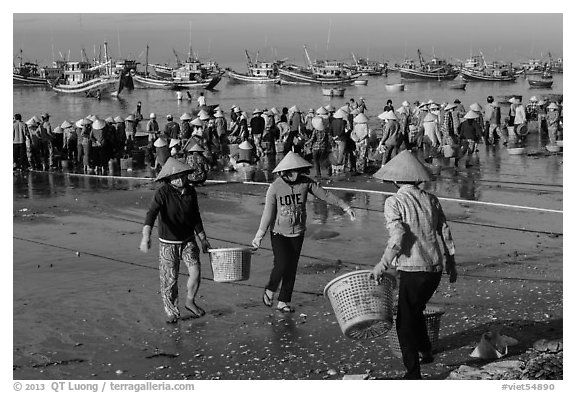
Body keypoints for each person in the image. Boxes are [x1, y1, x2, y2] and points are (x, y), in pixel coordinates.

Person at [370, 150, 457, 380]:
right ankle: (426, 350)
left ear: (396, 180)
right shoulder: (431, 199)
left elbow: (397, 236)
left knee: (403, 323)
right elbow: (444, 231)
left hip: (412, 269)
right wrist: (451, 261)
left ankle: (412, 374)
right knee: (415, 309)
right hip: (434, 269)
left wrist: (382, 264)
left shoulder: (394, 201)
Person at [251, 152, 356, 313]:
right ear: (285, 172)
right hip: (279, 233)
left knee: (291, 268)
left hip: (298, 232)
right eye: (292, 171)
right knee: (281, 264)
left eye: (298, 171)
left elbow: (325, 195)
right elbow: (268, 213)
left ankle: (283, 301)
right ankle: (270, 289)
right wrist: (259, 235)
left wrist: (345, 206)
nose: (296, 174)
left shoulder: (306, 183)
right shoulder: (275, 187)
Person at [140, 158, 212, 324]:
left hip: (188, 240)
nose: (181, 180)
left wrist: (203, 239)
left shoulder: (190, 192)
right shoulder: (162, 193)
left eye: (183, 176)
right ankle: (172, 311)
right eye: (176, 177)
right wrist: (146, 236)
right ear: (169, 179)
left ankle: (190, 300)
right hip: (168, 243)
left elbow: (196, 217)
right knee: (169, 279)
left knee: (196, 272)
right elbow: (151, 214)